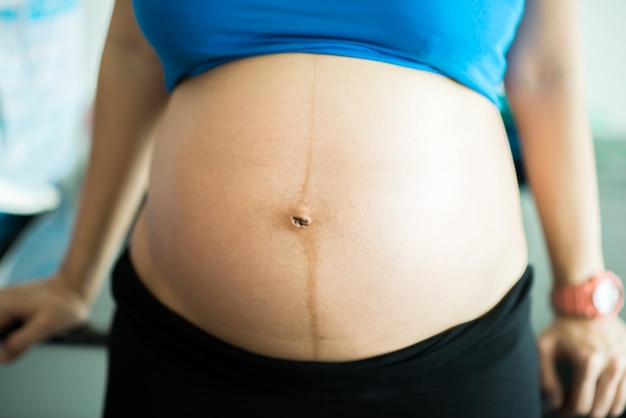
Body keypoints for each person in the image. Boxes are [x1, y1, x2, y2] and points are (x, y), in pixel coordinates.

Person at [0, 0, 625, 417]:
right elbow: (133, 56)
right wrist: (75, 279)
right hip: (185, 356)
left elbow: (547, 73)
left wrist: (583, 297)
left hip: (455, 364)